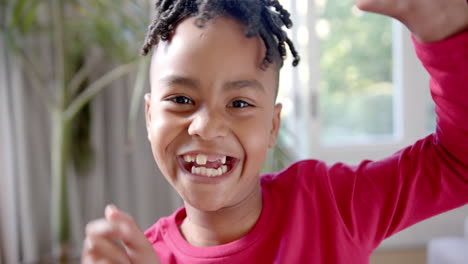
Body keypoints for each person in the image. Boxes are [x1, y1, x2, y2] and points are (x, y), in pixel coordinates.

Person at [81, 0, 468, 263]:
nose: (206, 126)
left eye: (239, 104)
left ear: (272, 126)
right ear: (150, 117)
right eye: (181, 100)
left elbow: (457, 162)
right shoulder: (144, 257)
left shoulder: (329, 205)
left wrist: (444, 32)